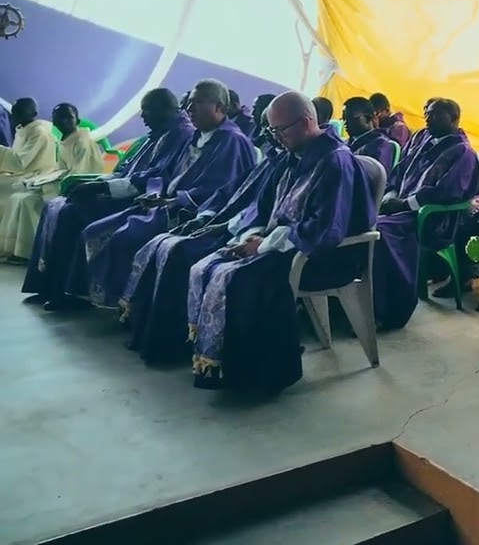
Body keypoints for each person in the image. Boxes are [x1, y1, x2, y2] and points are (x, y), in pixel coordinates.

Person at [186, 92, 376, 392]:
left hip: (325, 258)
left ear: (305, 122)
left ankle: (261, 377)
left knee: (242, 279)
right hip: (289, 246)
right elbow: (266, 209)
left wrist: (263, 246)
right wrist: (250, 236)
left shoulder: (335, 162)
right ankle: (219, 363)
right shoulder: (294, 156)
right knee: (208, 264)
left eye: (280, 130)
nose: (275, 138)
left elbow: (326, 228)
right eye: (271, 131)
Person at [76, 80, 256, 310]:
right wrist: (155, 193)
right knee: (95, 230)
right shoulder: (195, 136)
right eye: (189, 102)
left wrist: (174, 200)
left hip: (190, 214)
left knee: (124, 238)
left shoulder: (232, 141)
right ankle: (118, 301)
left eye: (197, 102)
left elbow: (224, 191)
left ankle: (132, 306)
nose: (189, 109)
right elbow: (167, 173)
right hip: (161, 206)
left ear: (219, 107)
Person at [121, 137, 289, 364]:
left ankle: (174, 345)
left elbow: (260, 210)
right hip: (230, 224)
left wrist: (224, 228)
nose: (267, 135)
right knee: (161, 243)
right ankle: (149, 334)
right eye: (268, 129)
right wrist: (205, 217)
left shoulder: (237, 144)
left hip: (244, 233)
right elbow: (228, 192)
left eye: (274, 129)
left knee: (179, 253)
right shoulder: (272, 159)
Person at [22, 88, 195, 309]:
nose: (142, 117)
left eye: (147, 111)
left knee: (71, 213)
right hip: (125, 191)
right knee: (54, 206)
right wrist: (98, 183)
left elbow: (158, 178)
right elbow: (127, 170)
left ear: (166, 109)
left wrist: (103, 186)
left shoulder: (181, 135)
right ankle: (48, 284)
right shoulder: (159, 132)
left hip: (141, 202)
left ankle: (71, 292)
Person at [371, 98, 479, 329]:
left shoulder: (462, 151)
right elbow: (400, 170)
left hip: (433, 219)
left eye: (435, 114)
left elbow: (448, 191)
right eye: (427, 114)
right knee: (361, 223)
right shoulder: (425, 140)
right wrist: (390, 196)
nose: (427, 119)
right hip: (403, 208)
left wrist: (404, 204)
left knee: (380, 233)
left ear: (453, 118)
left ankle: (390, 311)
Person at [0, 103, 104, 264]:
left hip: (78, 189)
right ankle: (18, 250)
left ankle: (32, 252)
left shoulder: (82, 142)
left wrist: (46, 185)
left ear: (77, 120)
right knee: (17, 198)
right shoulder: (66, 140)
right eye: (59, 118)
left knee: (26, 201)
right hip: (54, 181)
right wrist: (39, 182)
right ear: (54, 122)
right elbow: (60, 169)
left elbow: (79, 175)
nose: (64, 121)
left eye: (68, 117)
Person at [0, 97, 58, 190]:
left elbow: (21, 163)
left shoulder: (39, 132)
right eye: (14, 111)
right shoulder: (23, 129)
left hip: (37, 174)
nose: (15, 115)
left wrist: (1, 151)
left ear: (34, 114)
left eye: (20, 112)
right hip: (22, 172)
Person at [343, 96, 397, 175]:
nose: (345, 123)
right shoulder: (347, 143)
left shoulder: (381, 147)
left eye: (351, 119)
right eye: (344, 119)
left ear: (369, 118)